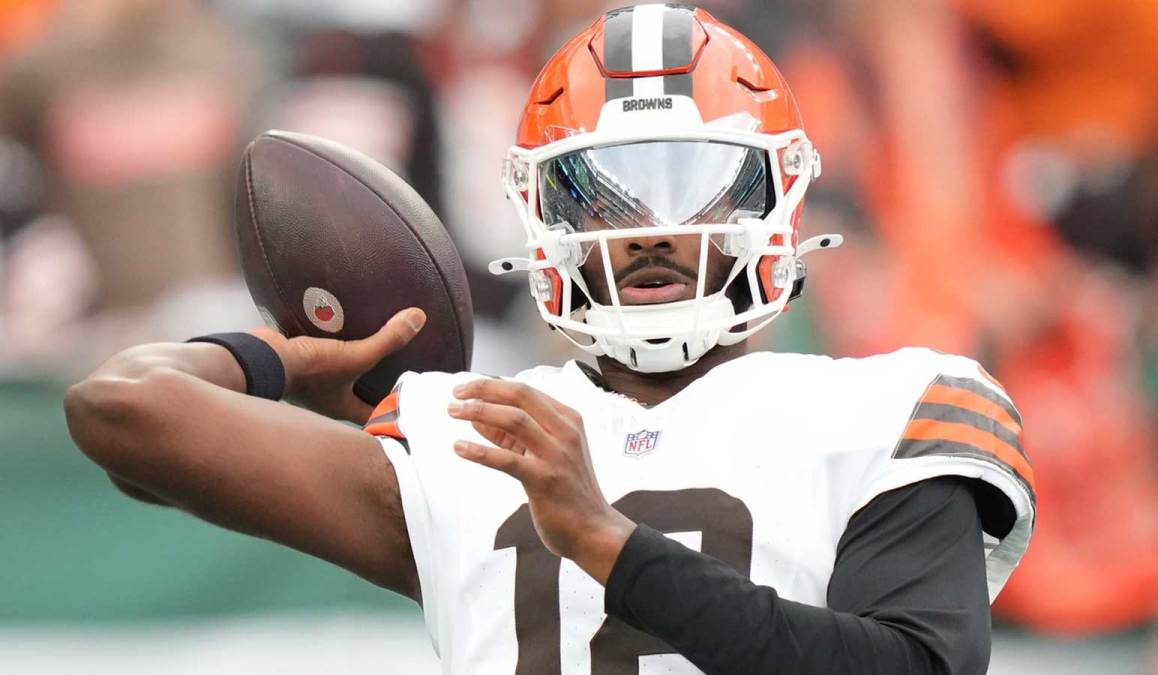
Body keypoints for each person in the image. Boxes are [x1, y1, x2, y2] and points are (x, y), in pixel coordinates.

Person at [64, 5, 1035, 674]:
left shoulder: (886, 412)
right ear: (538, 215)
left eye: (693, 185)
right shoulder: (474, 437)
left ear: (775, 200)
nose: (648, 230)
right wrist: (293, 356)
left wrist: (608, 543)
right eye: (599, 192)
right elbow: (122, 409)